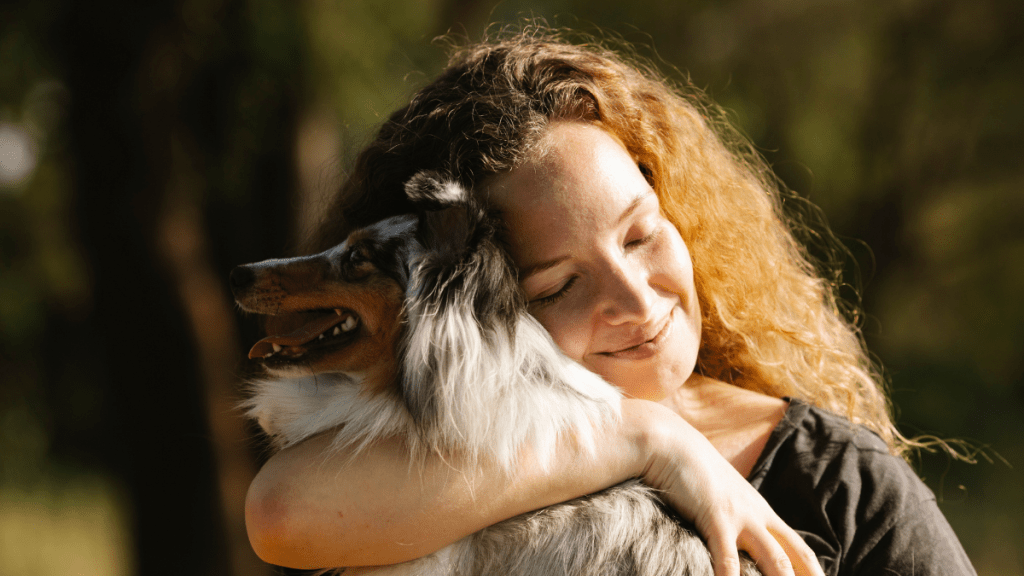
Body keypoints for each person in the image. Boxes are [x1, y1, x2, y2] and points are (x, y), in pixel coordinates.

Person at [244, 29, 976, 576]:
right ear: (474, 321)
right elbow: (283, 512)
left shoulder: (840, 485)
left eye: (641, 234)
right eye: (559, 285)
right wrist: (646, 441)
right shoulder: (432, 458)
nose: (635, 299)